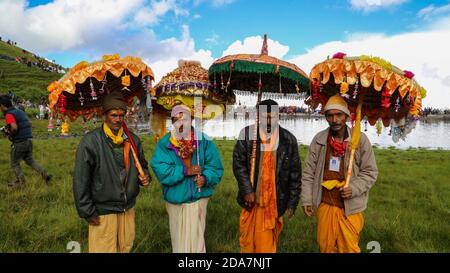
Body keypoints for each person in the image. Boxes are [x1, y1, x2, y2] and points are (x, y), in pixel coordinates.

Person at [73, 91, 151, 253]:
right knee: (103, 249)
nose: (118, 119)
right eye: (114, 115)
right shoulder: (91, 141)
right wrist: (87, 211)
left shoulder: (133, 139)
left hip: (127, 207)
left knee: (125, 247)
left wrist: (145, 176)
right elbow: (81, 179)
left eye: (121, 115)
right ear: (105, 115)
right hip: (103, 211)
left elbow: (142, 166)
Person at [301, 94, 378, 253]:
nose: (334, 120)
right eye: (330, 115)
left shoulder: (360, 140)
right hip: (325, 204)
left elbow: (370, 172)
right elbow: (309, 172)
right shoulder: (319, 140)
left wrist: (354, 188)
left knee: (349, 248)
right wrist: (307, 199)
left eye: (339, 115)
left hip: (350, 207)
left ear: (347, 116)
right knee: (326, 247)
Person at [151, 104, 224, 253]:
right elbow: (160, 169)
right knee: (178, 240)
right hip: (176, 199)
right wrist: (185, 171)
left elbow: (215, 168)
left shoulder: (204, 141)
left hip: (199, 198)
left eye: (185, 119)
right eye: (176, 120)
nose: (181, 123)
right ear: (172, 122)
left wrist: (205, 178)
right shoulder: (165, 144)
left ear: (191, 120)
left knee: (197, 241)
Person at [233, 99, 301, 253]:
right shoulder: (247, 134)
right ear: (258, 115)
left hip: (274, 201)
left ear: (279, 116)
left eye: (273, 117)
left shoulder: (288, 139)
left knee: (266, 247)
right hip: (251, 199)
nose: (269, 121)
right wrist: (247, 190)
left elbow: (295, 173)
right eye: (265, 116)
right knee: (247, 243)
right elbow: (238, 164)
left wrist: (292, 203)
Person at [0, 95, 51, 187]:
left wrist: (9, 134)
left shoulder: (9, 114)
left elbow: (14, 128)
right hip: (29, 140)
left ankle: (21, 182)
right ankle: (45, 174)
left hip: (19, 142)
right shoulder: (19, 111)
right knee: (29, 160)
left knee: (14, 162)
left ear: (3, 105)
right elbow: (30, 123)